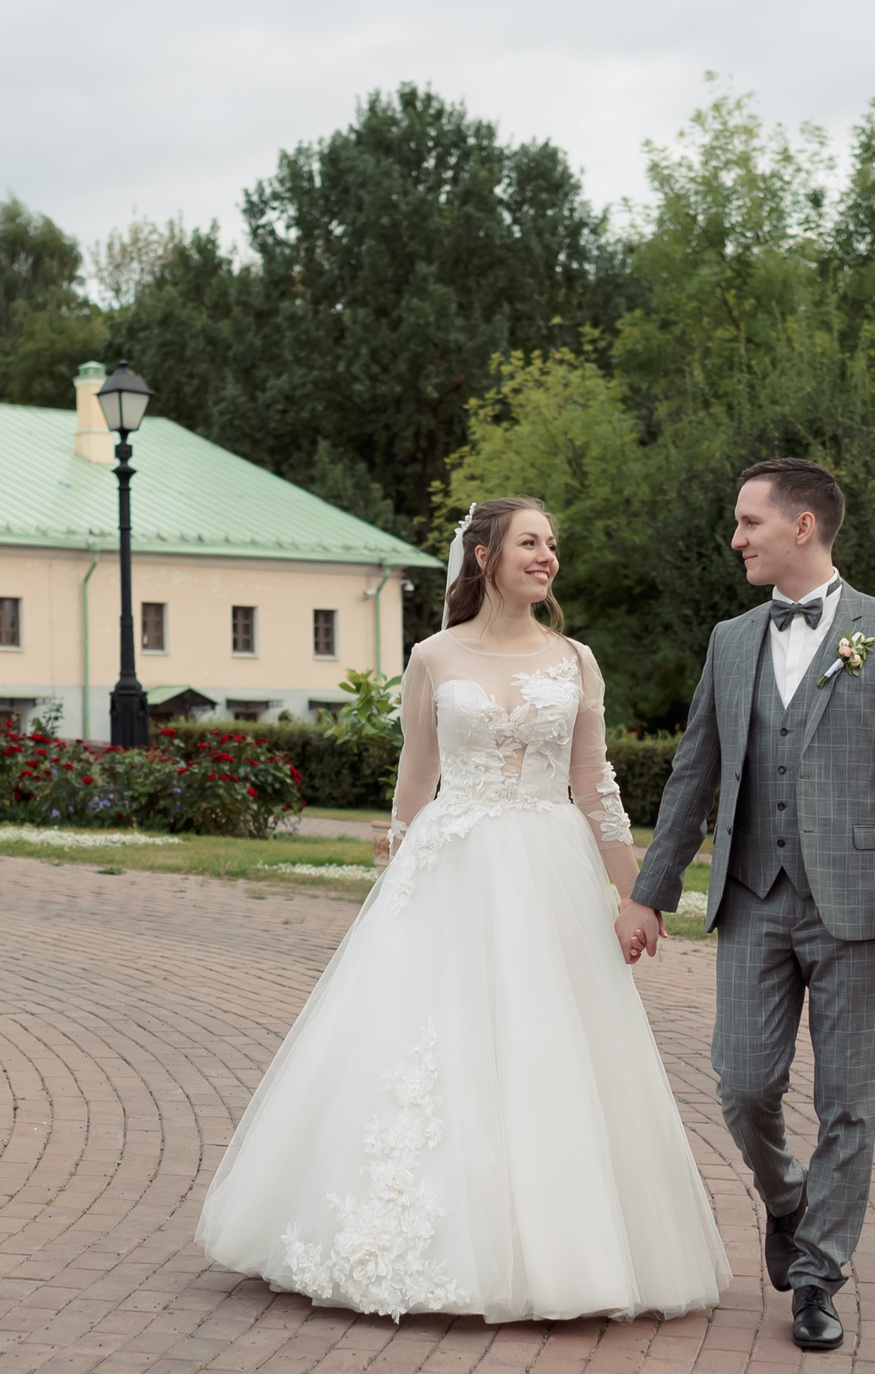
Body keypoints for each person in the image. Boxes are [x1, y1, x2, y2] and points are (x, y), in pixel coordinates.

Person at [197, 497, 732, 1323]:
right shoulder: (433, 657)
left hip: (548, 867)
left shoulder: (576, 660)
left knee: (549, 1047)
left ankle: (563, 1250)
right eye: (529, 541)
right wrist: (400, 873)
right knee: (427, 1042)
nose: (547, 555)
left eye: (553, 543)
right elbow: (416, 777)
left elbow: (596, 787)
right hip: (452, 868)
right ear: (483, 557)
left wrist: (637, 895)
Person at [615, 459, 875, 1354]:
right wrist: (649, 894)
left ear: (803, 526)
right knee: (743, 1083)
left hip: (859, 906)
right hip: (755, 895)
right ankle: (787, 1198)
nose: (736, 538)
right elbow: (693, 775)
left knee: (849, 1103)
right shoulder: (730, 641)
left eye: (749, 522)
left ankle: (816, 1276)